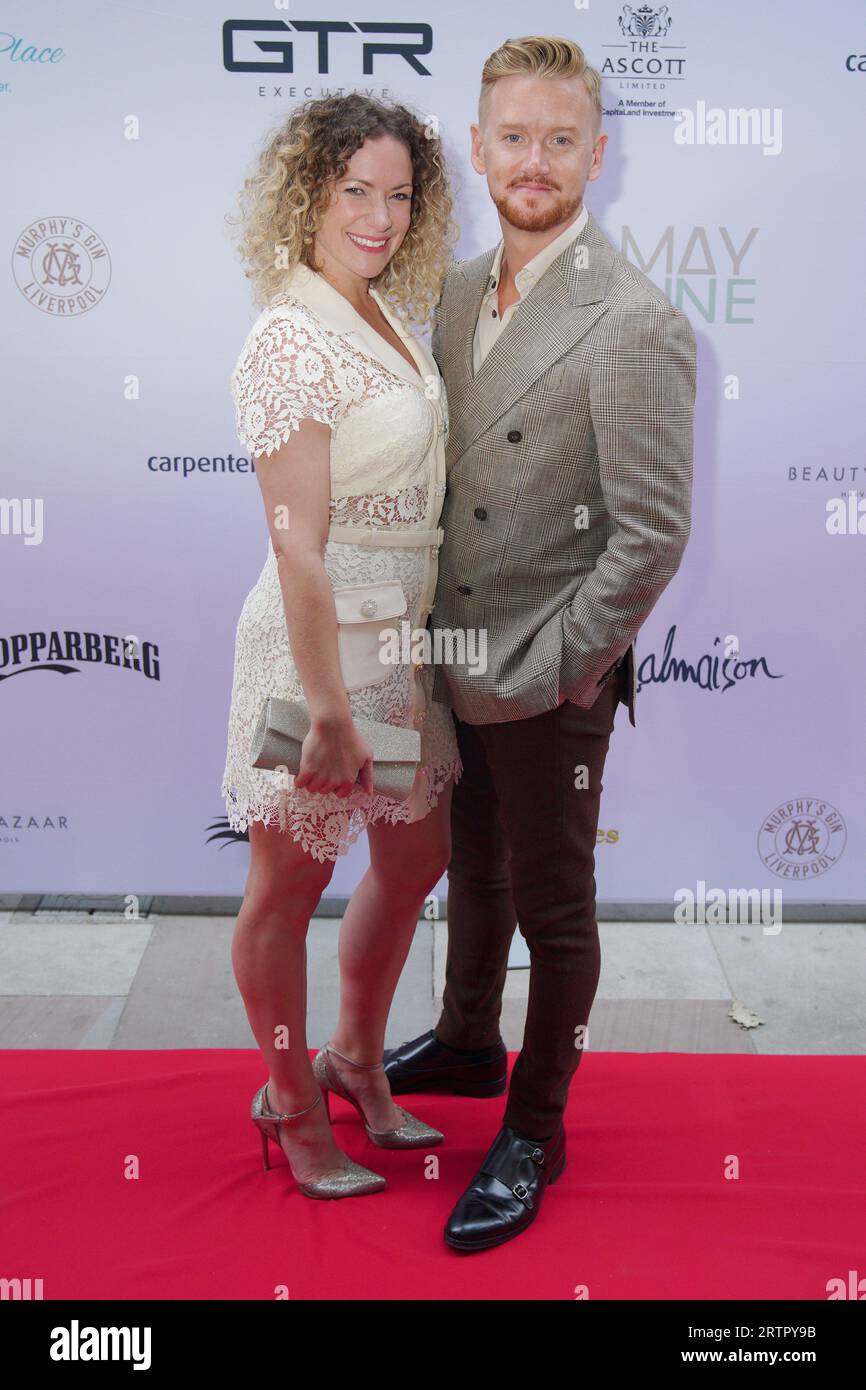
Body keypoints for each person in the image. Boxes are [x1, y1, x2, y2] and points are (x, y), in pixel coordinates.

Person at [383, 36, 697, 1250]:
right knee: (474, 866)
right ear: (476, 147)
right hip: (451, 652)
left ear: (596, 156)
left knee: (555, 909)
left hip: (544, 672)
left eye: (558, 139)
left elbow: (651, 536)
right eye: (511, 136)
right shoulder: (458, 288)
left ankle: (536, 1125)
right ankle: (468, 1039)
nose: (532, 160)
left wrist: (555, 665)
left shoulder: (634, 320)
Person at [221, 94, 462, 1199]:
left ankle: (354, 1058)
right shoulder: (289, 337)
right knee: (285, 886)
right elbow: (299, 549)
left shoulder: (377, 311)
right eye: (353, 190)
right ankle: (289, 1100)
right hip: (321, 647)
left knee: (413, 857)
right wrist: (324, 706)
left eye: (398, 193)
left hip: (398, 640)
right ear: (308, 193)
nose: (378, 215)